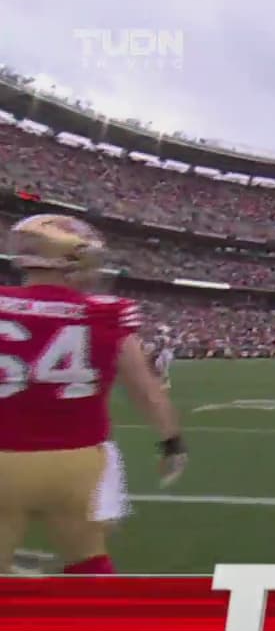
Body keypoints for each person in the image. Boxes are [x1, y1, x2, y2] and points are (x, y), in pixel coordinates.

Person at [0, 214, 187, 575]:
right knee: (89, 560)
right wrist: (172, 441)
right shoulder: (106, 312)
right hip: (77, 460)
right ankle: (98, 610)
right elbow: (146, 390)